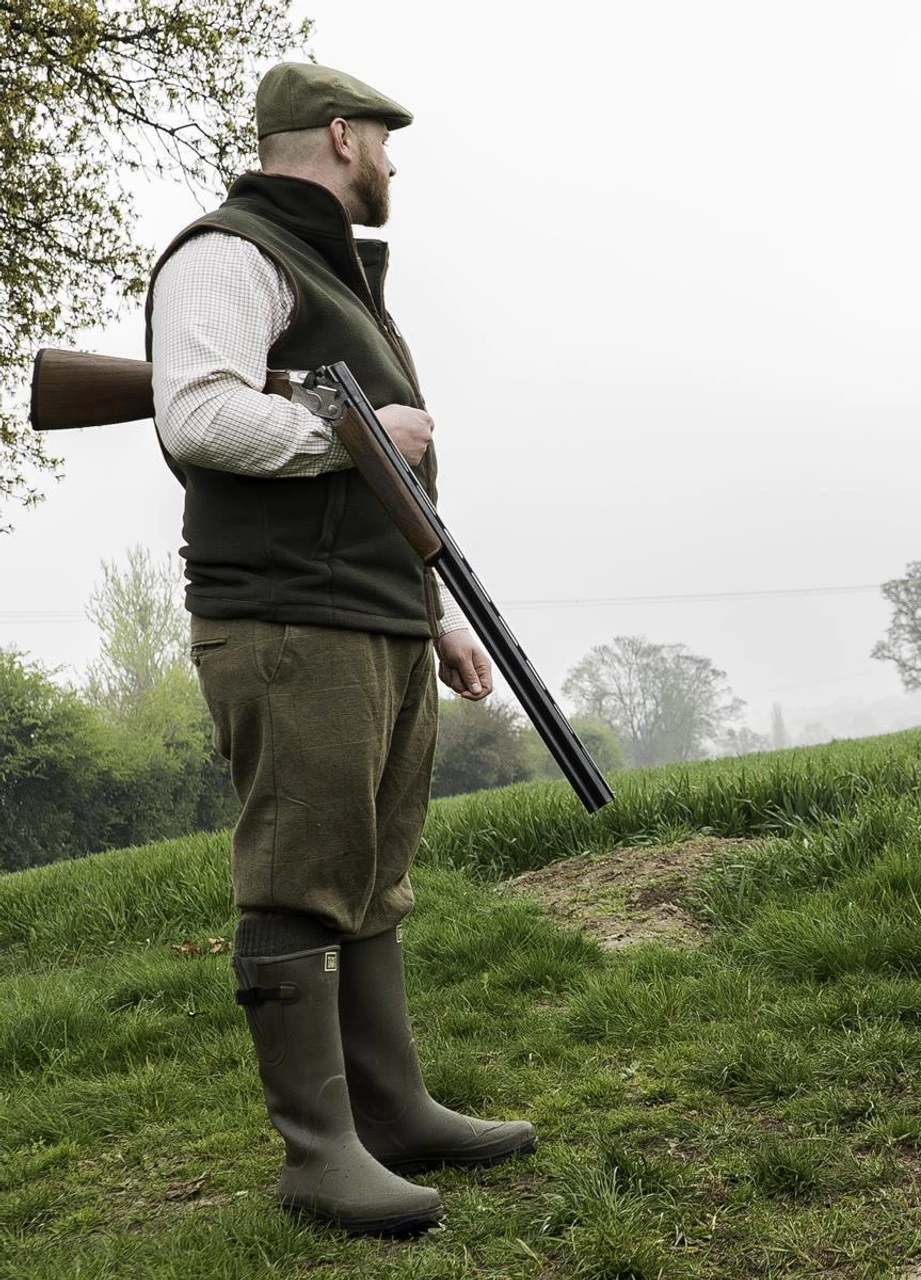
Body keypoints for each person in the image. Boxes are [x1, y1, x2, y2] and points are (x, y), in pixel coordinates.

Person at [146, 61, 536, 1235]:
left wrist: (434, 616)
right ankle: (319, 1155)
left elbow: (379, 493)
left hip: (367, 614)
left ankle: (392, 1108)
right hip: (285, 621)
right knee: (301, 871)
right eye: (381, 139)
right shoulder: (229, 252)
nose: (392, 162)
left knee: (370, 870)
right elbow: (199, 412)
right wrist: (346, 421)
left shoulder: (333, 275)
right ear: (337, 135)